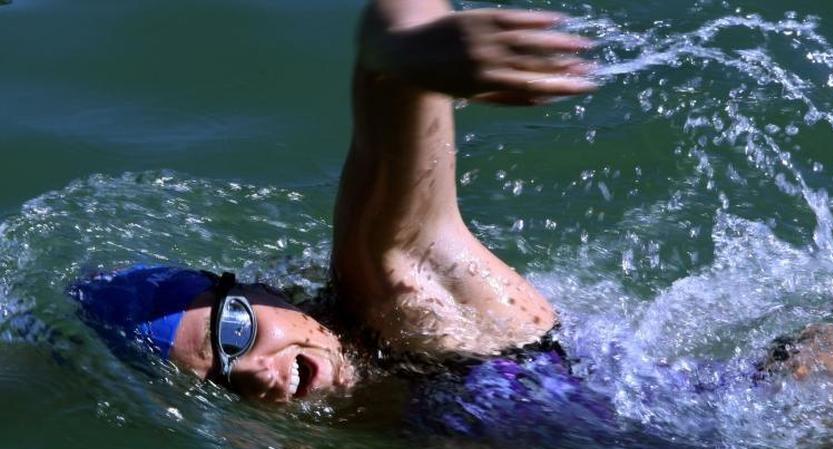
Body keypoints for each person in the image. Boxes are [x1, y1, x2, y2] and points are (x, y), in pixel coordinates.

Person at [73, 0, 599, 405]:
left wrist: (400, 54)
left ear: (260, 290)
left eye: (235, 330)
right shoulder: (328, 425)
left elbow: (390, 50)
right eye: (221, 383)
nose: (254, 372)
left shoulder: (404, 300)